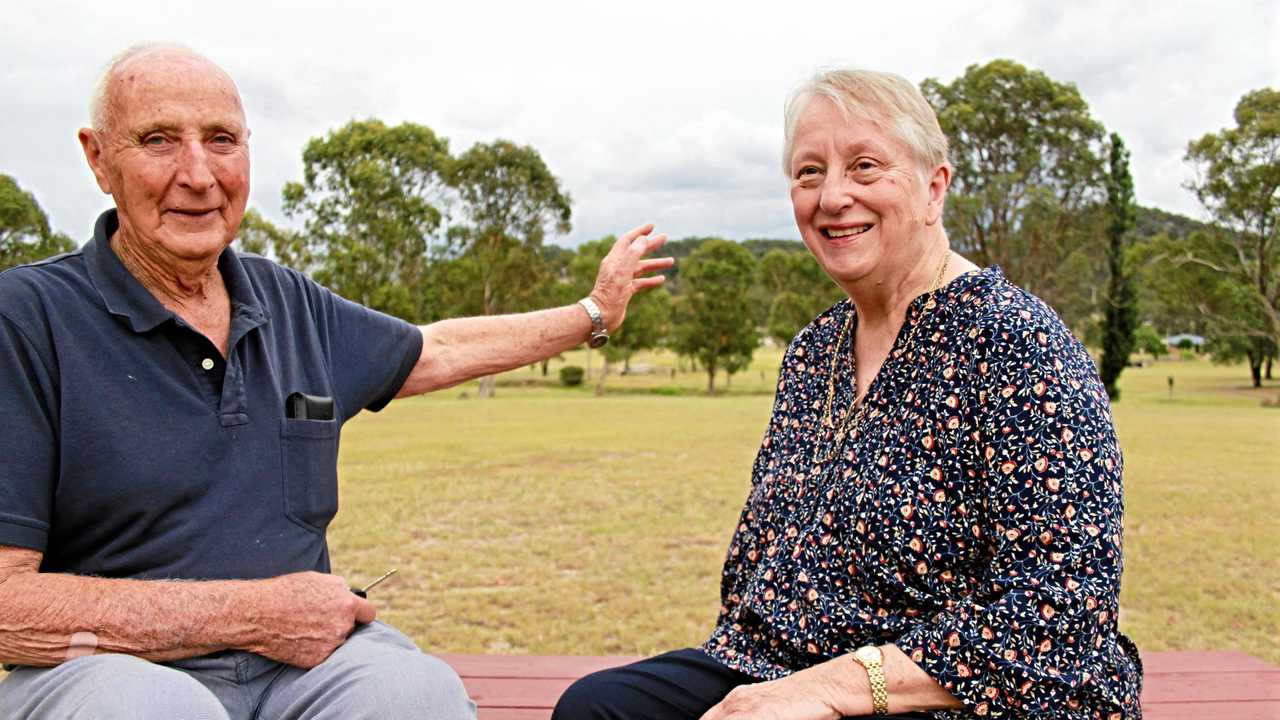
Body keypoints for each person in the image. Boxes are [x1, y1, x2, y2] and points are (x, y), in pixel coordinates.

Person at [0, 44, 672, 720]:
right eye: (158, 140)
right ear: (97, 158)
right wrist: (247, 614)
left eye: (222, 140)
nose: (198, 174)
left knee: (415, 696)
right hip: (109, 668)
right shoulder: (27, 321)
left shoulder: (289, 303)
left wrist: (592, 313)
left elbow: (433, 351)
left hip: (303, 665)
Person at [553, 69, 1143, 719]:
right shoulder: (813, 353)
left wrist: (828, 689)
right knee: (598, 708)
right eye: (809, 173)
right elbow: (758, 559)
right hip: (780, 659)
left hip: (956, 693)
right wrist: (761, 687)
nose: (833, 196)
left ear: (934, 188)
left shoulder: (1018, 345)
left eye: (865, 167)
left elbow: (1061, 612)